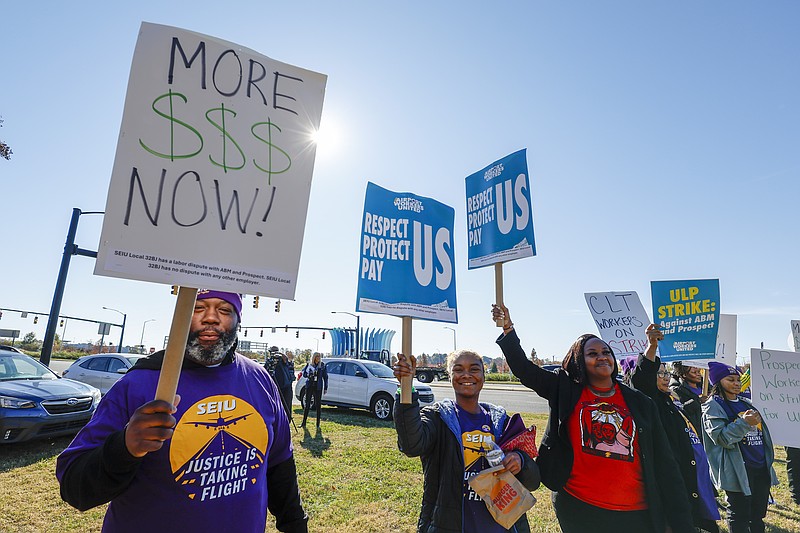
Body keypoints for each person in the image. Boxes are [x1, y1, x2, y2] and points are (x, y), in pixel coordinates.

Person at [56, 290, 307, 533]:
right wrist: (125, 446)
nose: (210, 317)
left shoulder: (259, 379)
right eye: (198, 308)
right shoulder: (139, 383)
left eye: (224, 309)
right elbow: (74, 488)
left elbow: (279, 463)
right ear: (181, 316)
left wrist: (295, 524)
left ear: (238, 320)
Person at [491, 303, 694, 533]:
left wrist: (680, 522)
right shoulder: (565, 390)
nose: (602, 357)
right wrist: (508, 328)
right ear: (579, 360)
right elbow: (525, 370)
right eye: (593, 353)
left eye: (606, 352)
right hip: (581, 509)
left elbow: (666, 465)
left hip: (637, 513)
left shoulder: (639, 402)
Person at [393, 349, 540, 532]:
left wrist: (520, 460)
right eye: (458, 369)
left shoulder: (501, 421)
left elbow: (533, 481)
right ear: (450, 376)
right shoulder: (437, 418)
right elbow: (411, 445)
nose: (466, 375)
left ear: (483, 377)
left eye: (474, 369)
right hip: (451, 525)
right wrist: (406, 387)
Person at [630, 324, 720, 532]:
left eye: (666, 373)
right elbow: (642, 380)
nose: (664, 377)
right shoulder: (649, 401)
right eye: (659, 373)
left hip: (692, 480)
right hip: (672, 483)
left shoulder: (669, 402)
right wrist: (652, 347)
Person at [701, 361, 778, 533]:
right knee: (739, 515)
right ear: (718, 382)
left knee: (757, 515)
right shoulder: (713, 406)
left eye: (738, 379)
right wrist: (744, 423)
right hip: (737, 471)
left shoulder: (746, 403)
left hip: (759, 466)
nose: (736, 383)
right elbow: (721, 438)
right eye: (730, 380)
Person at [671, 361, 706, 435]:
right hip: (696, 431)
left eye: (699, 371)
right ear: (684, 374)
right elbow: (682, 409)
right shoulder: (677, 391)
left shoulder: (706, 386)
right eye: (694, 372)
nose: (698, 374)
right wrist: (698, 401)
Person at [300, 352, 327, 428]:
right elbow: (304, 374)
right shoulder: (309, 365)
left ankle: (318, 424)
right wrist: (309, 374)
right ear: (314, 357)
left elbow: (325, 377)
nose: (318, 358)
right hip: (310, 385)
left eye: (319, 356)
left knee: (318, 404)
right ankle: (303, 422)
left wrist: (325, 387)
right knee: (307, 404)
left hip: (318, 386)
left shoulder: (322, 365)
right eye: (316, 356)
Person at [271, 348, 296, 418]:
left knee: (287, 407)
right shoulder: (270, 362)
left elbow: (291, 374)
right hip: (275, 387)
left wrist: (285, 359)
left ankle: (287, 421)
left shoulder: (285, 361)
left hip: (286, 387)